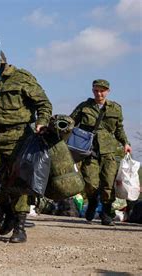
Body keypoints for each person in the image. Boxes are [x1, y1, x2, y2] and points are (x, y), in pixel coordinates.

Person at [0, 53, 52, 243]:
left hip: (19, 138)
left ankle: (19, 228)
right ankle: (7, 212)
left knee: (20, 182)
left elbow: (44, 103)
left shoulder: (22, 78)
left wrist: (42, 122)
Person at [70, 79, 131, 226]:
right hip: (89, 150)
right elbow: (71, 121)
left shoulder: (115, 108)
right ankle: (92, 201)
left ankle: (106, 213)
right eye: (96, 90)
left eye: (102, 90)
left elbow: (119, 129)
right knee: (90, 182)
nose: (99, 93)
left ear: (107, 91)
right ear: (93, 91)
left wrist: (125, 143)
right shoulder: (84, 107)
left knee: (108, 183)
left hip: (108, 150)